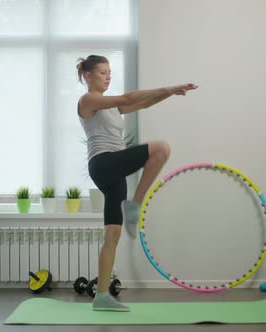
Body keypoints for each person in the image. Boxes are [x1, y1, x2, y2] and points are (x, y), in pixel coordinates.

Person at [76, 55, 197, 311]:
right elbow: (129, 98)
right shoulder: (88, 101)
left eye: (110, 72)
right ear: (88, 75)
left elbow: (142, 103)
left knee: (113, 234)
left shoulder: (109, 106)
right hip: (103, 162)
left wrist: (171, 93)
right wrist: (168, 87)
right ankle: (136, 205)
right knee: (161, 149)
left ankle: (101, 297)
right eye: (102, 72)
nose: (108, 76)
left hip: (114, 173)